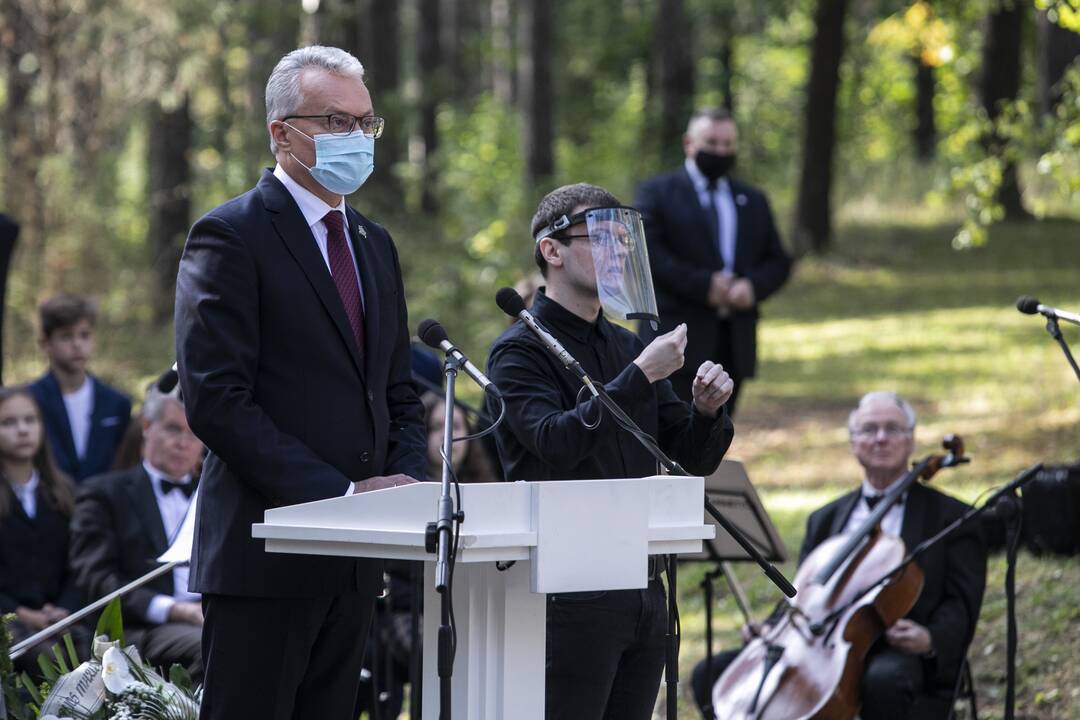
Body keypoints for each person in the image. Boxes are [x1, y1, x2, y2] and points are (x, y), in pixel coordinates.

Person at [174, 45, 426, 720]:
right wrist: (340, 496)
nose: (357, 140)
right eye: (336, 122)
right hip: (266, 558)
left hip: (355, 563)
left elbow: (398, 391)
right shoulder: (230, 235)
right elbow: (216, 400)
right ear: (281, 132)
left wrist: (393, 494)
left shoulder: (373, 242)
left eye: (366, 124)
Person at [485, 183, 736, 720]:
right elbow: (555, 442)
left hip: (644, 582)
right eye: (600, 237)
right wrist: (641, 375)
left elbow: (687, 458)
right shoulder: (519, 351)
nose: (618, 251)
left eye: (624, 240)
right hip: (568, 589)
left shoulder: (625, 346)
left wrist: (707, 412)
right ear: (551, 251)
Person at [692, 392, 986, 720]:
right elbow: (803, 595)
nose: (881, 438)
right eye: (868, 430)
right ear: (853, 442)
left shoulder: (952, 516)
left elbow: (962, 604)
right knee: (711, 672)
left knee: (883, 681)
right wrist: (772, 626)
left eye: (893, 429)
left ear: (911, 440)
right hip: (815, 647)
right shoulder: (826, 518)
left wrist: (930, 638)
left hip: (896, 649)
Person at [635, 107, 791, 415]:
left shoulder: (752, 199)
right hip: (674, 340)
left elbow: (778, 260)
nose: (721, 151)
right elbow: (649, 255)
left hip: (733, 341)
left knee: (715, 441)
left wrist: (752, 287)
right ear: (689, 143)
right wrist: (705, 285)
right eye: (712, 143)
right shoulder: (657, 193)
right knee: (667, 438)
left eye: (728, 144)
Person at [69, 383, 205, 678]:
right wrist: (174, 610)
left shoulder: (215, 496)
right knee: (212, 646)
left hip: (213, 614)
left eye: (194, 432)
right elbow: (96, 580)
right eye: (173, 429)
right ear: (147, 426)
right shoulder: (103, 494)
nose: (184, 443)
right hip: (143, 628)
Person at [0, 386, 88, 676]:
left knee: (91, 654)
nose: (22, 430)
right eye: (9, 423)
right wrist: (23, 614)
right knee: (43, 659)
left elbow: (79, 563)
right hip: (10, 620)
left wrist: (62, 609)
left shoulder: (63, 492)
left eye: (30, 420)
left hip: (59, 616)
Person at [29, 294, 132, 482]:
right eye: (65, 336)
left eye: (84, 335)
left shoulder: (117, 403)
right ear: (45, 344)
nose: (77, 344)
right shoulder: (30, 400)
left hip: (104, 506)